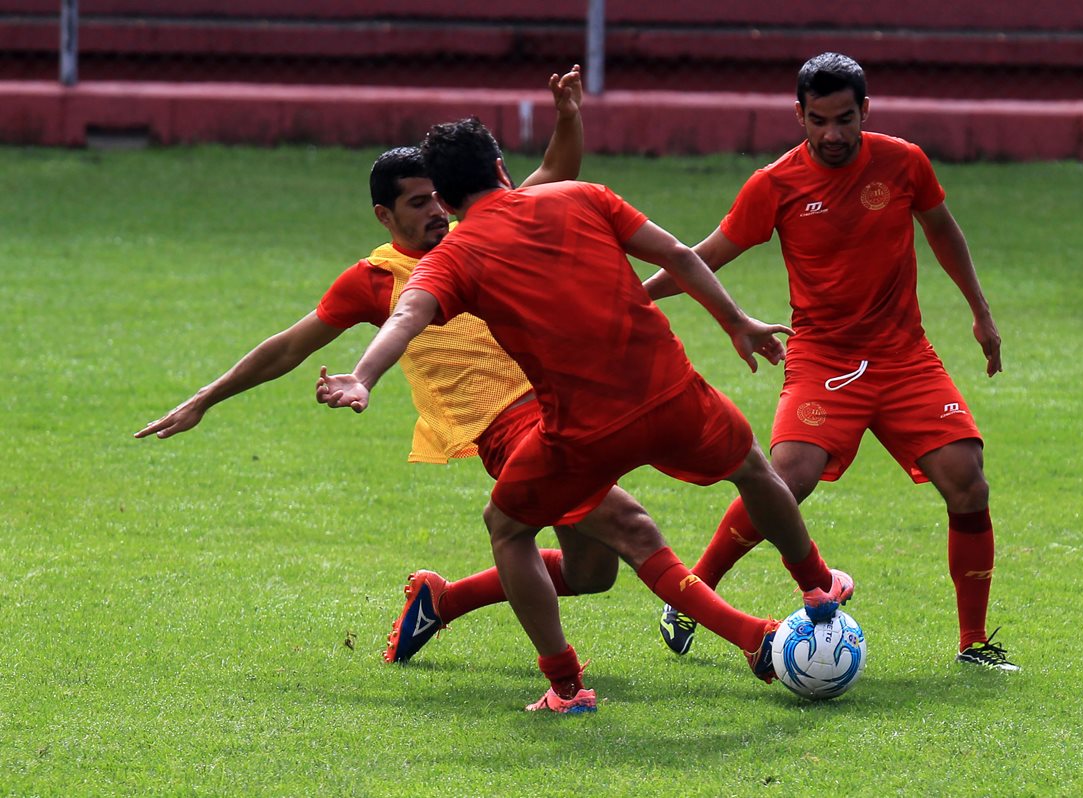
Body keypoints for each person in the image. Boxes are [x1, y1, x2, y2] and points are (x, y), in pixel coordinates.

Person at [317, 117, 855, 713]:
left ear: (444, 199)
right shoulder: (582, 194)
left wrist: (362, 377)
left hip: (583, 433)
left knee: (510, 528)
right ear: (501, 167)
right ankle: (816, 585)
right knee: (754, 471)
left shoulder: (452, 258)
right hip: (672, 395)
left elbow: (405, 319)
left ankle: (567, 686)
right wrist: (736, 322)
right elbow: (677, 253)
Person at [133, 67, 627, 666]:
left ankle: (439, 602)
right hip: (509, 431)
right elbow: (289, 347)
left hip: (558, 410)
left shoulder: (483, 231)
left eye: (438, 198)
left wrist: (568, 117)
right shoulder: (375, 280)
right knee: (634, 527)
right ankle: (745, 639)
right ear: (383, 215)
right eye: (418, 204)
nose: (437, 213)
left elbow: (554, 174)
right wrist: (204, 398)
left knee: (594, 570)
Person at [644, 52, 1017, 671]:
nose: (833, 134)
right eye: (818, 120)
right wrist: (635, 296)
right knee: (787, 479)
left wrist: (980, 311)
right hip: (823, 358)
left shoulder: (904, 162)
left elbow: (943, 230)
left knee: (968, 481)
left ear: (865, 110)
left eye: (845, 118)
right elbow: (704, 257)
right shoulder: (774, 184)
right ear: (799, 115)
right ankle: (692, 595)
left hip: (904, 358)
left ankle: (973, 643)